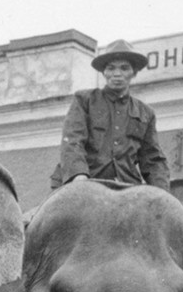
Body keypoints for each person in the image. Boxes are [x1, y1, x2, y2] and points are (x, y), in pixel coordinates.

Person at [49, 40, 170, 191]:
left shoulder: (145, 113)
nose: (117, 74)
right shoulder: (84, 100)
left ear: (134, 72)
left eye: (124, 68)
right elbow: (73, 140)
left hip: (127, 187)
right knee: (57, 213)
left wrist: (162, 192)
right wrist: (79, 174)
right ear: (104, 72)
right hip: (85, 183)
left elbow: (152, 158)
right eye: (111, 68)